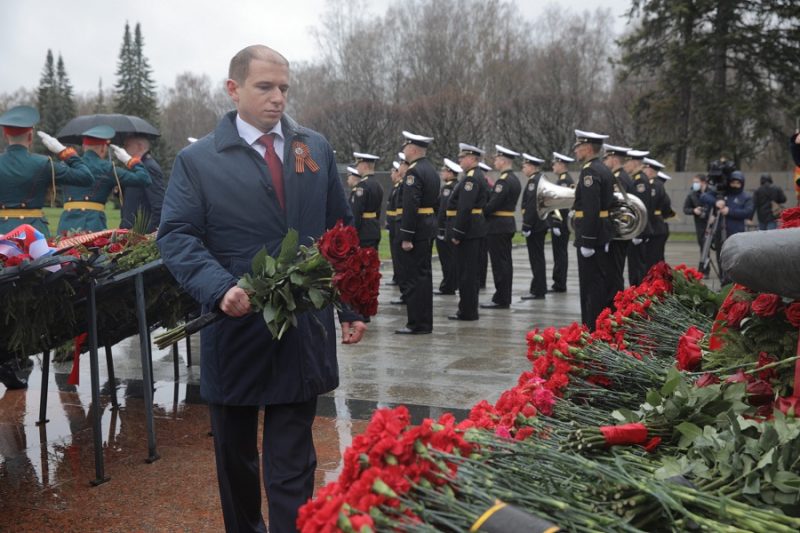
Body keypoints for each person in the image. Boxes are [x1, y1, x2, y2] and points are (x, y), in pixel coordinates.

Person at [156, 45, 366, 533]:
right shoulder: (198, 160)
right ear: (233, 89)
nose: (278, 98)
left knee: (293, 460)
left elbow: (341, 231)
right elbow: (177, 235)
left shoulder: (314, 148)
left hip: (301, 328)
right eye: (265, 87)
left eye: (284, 88)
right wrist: (219, 287)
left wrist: (351, 306)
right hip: (237, 326)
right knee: (236, 458)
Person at [0, 105, 93, 237]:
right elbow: (85, 177)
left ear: (5, 135)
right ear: (30, 136)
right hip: (34, 233)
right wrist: (63, 151)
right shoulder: (43, 163)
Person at [57, 126, 151, 234]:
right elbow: (144, 179)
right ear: (103, 148)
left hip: (65, 225)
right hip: (93, 224)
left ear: (84, 146)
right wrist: (129, 160)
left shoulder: (67, 165)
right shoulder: (107, 168)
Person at [396, 130, 439, 335]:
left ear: (412, 149)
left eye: (405, 147)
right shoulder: (430, 169)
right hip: (427, 226)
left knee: (414, 278)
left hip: (417, 229)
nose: (404, 150)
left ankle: (417, 323)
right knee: (424, 277)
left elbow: (411, 206)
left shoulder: (413, 172)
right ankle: (424, 322)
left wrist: (407, 236)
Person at [571, 129, 614, 331]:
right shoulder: (603, 168)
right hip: (601, 233)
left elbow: (591, 208)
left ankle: (591, 328)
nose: (576, 151)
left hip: (592, 236)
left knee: (590, 285)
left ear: (588, 148)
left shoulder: (589, 171)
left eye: (578, 147)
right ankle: (598, 326)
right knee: (599, 281)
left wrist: (587, 240)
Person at [447, 143, 489, 321]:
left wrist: (457, 233)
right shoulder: (477, 176)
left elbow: (465, 208)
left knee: (466, 273)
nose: (460, 161)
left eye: (462, 157)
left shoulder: (471, 179)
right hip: (474, 228)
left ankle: (467, 311)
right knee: (470, 272)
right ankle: (468, 310)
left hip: (468, 230)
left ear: (472, 158)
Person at [481, 145, 521, 309]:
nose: (495, 161)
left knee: (500, 264)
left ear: (503, 161)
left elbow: (493, 204)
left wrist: (480, 212)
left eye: (497, 159)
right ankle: (504, 297)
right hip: (506, 224)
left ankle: (501, 299)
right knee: (505, 263)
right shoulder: (514, 179)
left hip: (498, 226)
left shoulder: (503, 181)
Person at [701, 170, 754, 284]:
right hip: (720, 233)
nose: (735, 185)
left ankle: (736, 282)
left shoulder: (746, 197)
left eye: (738, 183)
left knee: (736, 259)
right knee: (721, 257)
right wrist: (716, 202)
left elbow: (748, 212)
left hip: (737, 234)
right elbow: (704, 196)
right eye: (733, 182)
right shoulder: (723, 193)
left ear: (742, 183)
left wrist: (730, 211)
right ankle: (723, 280)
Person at [602, 143, 636, 297]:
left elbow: (616, 204)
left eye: (606, 158)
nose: (604, 161)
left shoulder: (619, 178)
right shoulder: (620, 176)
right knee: (614, 269)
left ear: (614, 159)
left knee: (614, 271)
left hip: (618, 231)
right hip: (619, 230)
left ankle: (615, 301)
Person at [120, 134, 165, 233]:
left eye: (127, 145)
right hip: (130, 231)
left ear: (139, 146)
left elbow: (158, 205)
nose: (124, 149)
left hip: (139, 233)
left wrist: (146, 234)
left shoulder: (148, 167)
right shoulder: (137, 167)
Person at [519, 153, 548, 300]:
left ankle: (538, 290)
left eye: (524, 166)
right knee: (538, 258)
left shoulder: (533, 182)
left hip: (535, 226)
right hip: (540, 225)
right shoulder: (539, 179)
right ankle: (538, 287)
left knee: (536, 259)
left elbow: (531, 205)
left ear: (531, 166)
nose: (523, 169)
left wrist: (527, 225)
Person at [622, 149, 652, 285]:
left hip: (639, 231)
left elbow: (641, 208)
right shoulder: (636, 179)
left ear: (634, 162)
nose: (625, 165)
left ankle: (639, 292)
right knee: (634, 266)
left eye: (627, 162)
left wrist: (638, 233)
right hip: (637, 230)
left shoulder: (640, 181)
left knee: (637, 267)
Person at [548, 152, 575, 293]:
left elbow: (561, 205)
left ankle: (559, 283)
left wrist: (556, 223)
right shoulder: (564, 180)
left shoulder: (563, 181)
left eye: (555, 164)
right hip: (563, 223)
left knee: (560, 254)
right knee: (560, 253)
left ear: (561, 164)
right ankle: (559, 282)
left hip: (561, 223)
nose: (553, 166)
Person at [641, 157, 674, 269]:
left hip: (654, 226)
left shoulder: (654, 185)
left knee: (652, 260)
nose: (643, 171)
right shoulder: (657, 184)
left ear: (650, 170)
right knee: (657, 259)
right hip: (658, 225)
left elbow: (650, 208)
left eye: (644, 169)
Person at [435, 157, 461, 295]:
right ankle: (452, 284)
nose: (442, 173)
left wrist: (440, 229)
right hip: (452, 226)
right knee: (453, 258)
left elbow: (443, 210)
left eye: (443, 171)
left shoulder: (448, 188)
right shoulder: (457, 185)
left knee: (447, 260)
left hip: (446, 228)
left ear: (450, 173)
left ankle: (448, 286)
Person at [350, 152, 383, 249]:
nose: (357, 168)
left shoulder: (362, 185)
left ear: (364, 166)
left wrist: (353, 231)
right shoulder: (378, 184)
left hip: (363, 232)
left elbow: (357, 211)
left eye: (358, 165)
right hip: (374, 229)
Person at [389, 153, 409, 305]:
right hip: (397, 225)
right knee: (399, 260)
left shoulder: (405, 185)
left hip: (401, 226)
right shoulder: (400, 186)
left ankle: (406, 293)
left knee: (403, 262)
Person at [682, 174, 710, 276]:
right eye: (694, 182)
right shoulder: (692, 194)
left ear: (704, 182)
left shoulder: (711, 193)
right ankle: (704, 269)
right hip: (700, 224)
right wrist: (694, 210)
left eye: (697, 182)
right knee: (703, 246)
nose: (695, 184)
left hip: (713, 222)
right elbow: (685, 209)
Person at [385, 160, 402, 286]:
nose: (391, 175)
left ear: (397, 173)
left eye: (392, 172)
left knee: (398, 253)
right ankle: (397, 276)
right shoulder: (396, 188)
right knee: (395, 253)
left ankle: (399, 277)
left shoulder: (400, 188)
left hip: (397, 225)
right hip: (393, 224)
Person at [477, 161, 492, 290]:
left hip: (482, 223)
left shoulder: (485, 186)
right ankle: (480, 280)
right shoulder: (487, 185)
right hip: (483, 223)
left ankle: (480, 281)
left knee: (481, 254)